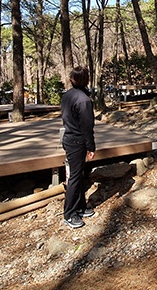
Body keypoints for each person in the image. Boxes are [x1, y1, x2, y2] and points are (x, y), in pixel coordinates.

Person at [60, 66, 96, 229]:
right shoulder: (84, 100)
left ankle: (80, 207)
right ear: (86, 80)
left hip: (69, 138)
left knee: (78, 175)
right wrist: (91, 147)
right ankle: (69, 214)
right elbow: (87, 126)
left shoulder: (68, 95)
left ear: (72, 80)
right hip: (77, 141)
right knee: (75, 176)